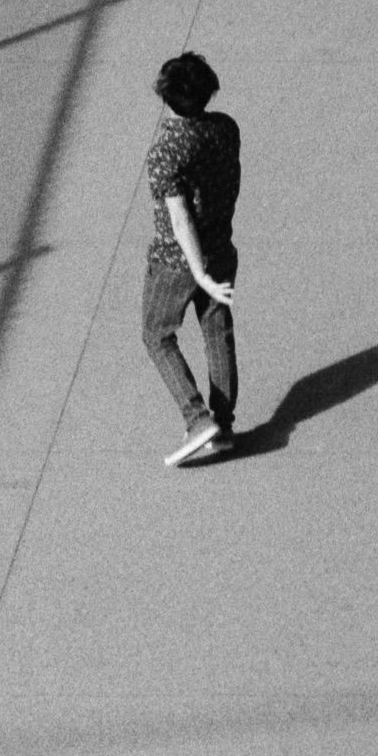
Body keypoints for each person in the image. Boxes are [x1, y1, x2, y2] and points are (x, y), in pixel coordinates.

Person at [142, 52, 241, 466]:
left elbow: (180, 219)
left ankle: (197, 420)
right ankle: (223, 424)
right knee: (216, 331)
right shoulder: (225, 128)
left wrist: (197, 273)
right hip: (221, 245)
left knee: (157, 334)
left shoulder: (165, 149)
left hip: (176, 261)